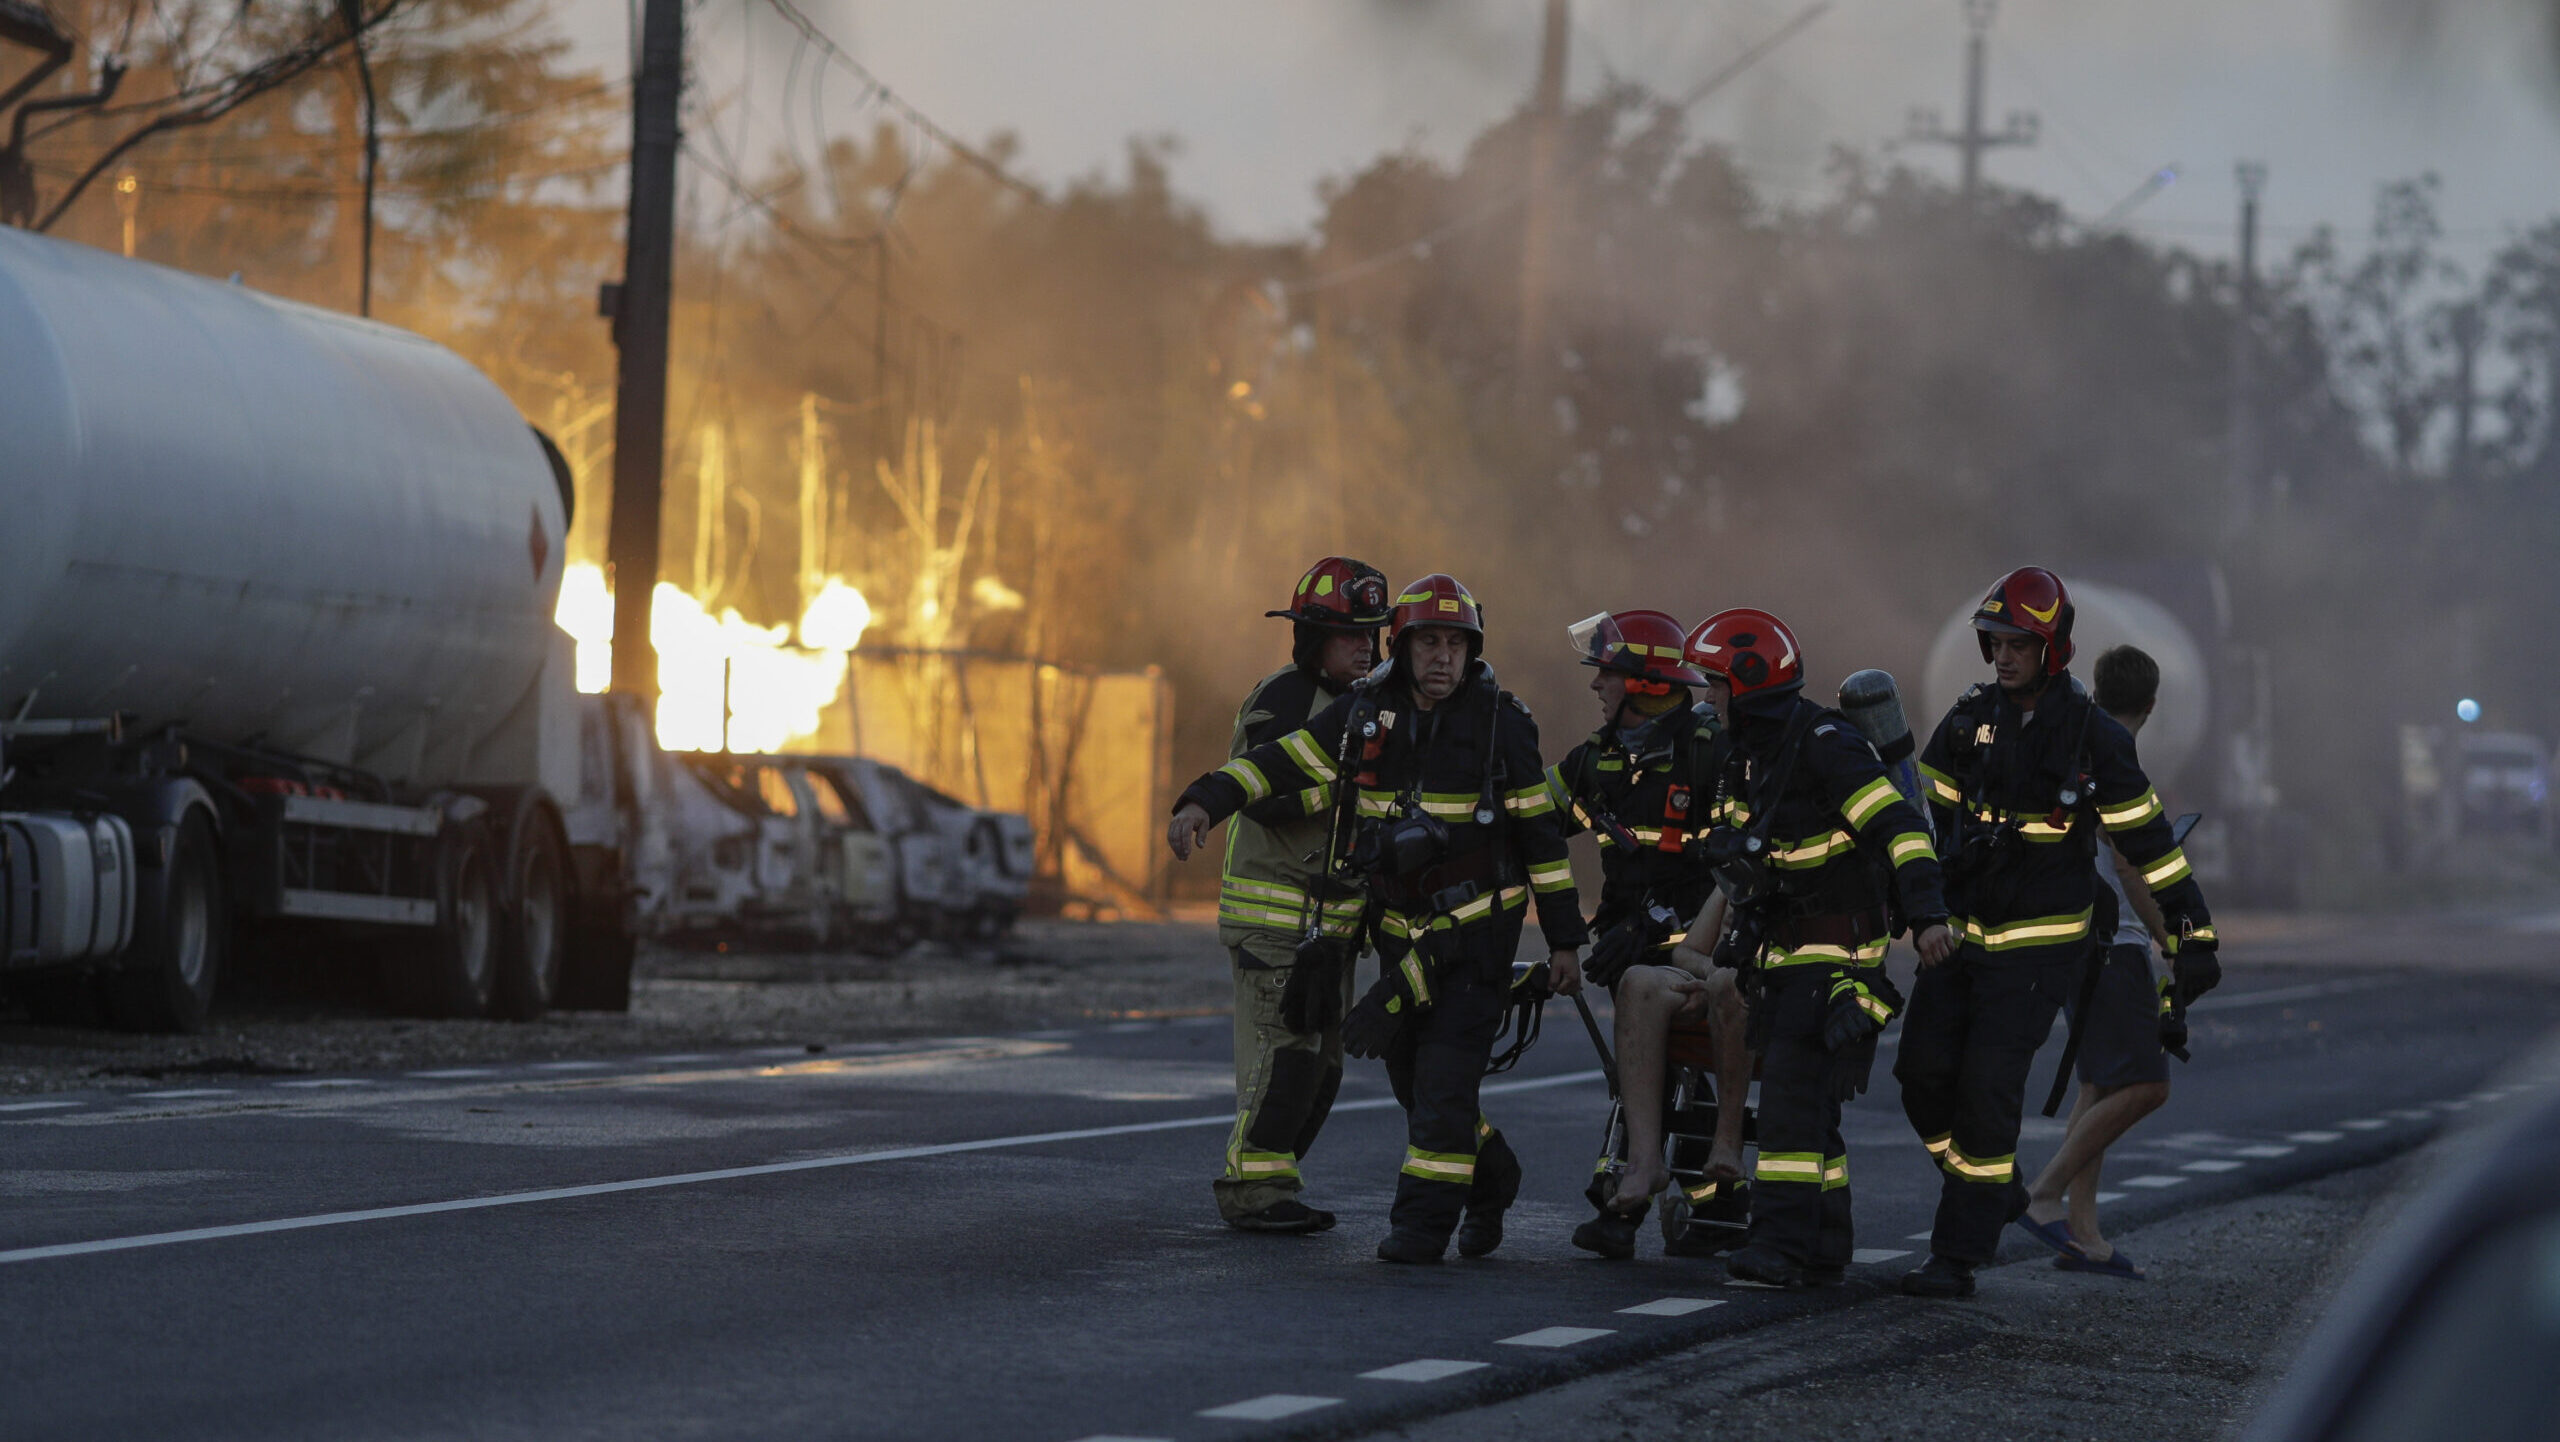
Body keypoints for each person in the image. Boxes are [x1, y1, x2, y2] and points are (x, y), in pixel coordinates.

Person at [1168, 573, 1587, 1264]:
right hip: (1402, 940)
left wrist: (1566, 940)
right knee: (1412, 1080)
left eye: (1456, 644)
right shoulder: (1367, 713)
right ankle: (1492, 1177)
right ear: (1404, 645)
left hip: (1478, 937)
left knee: (1446, 1079)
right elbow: (1281, 762)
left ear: (1473, 650)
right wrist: (1202, 802)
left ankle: (1421, 1229)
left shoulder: (1502, 723)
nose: (1442, 658)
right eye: (1428, 643)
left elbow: (1541, 840)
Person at [1899, 568, 2219, 1299]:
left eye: (2019, 644)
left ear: (2054, 647)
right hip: (1957, 939)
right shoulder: (1969, 717)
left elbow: (2151, 845)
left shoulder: (2095, 739)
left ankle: (1956, 1258)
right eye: (1996, 643)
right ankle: (1995, 1189)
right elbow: (1918, 823)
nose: (2004, 656)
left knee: (1987, 1090)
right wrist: (1918, 911)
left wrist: (2195, 935)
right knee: (1921, 1077)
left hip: (2038, 952)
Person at [1677, 608, 1955, 1289]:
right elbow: (1755, 868)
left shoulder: (1826, 745)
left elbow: (1899, 829)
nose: (1706, 699)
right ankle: (1827, 1239)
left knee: (1790, 1108)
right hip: (1785, 956)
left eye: (1714, 685)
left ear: (1746, 683)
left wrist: (1926, 917)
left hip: (1835, 961)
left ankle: (1778, 1246)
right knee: (1813, 1105)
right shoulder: (1753, 757)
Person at [1542, 610, 1752, 1261]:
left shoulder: (1711, 751)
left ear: (1642, 681)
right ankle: (1647, 1187)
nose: (1596, 684)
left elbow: (1745, 862)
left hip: (1708, 943)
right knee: (1652, 1053)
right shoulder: (1598, 758)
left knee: (1681, 1055)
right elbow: (1533, 823)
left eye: (1606, 672)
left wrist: (1660, 924)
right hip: (1628, 945)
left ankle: (1666, 1194)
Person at [1201, 557, 1393, 1234]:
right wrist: (1347, 786)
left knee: (1320, 1070)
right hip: (1274, 923)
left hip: (1331, 930)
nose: (1365, 647)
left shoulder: (1372, 710)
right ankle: (1252, 1194)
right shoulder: (1283, 699)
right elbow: (1268, 798)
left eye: (1372, 634)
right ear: (1312, 639)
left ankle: (1274, 1183)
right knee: (1283, 1061)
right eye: (1349, 635)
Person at [2016, 644, 2176, 1279]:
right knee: (2148, 1085)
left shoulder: (2077, 746)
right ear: (2152, 705)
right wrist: (2171, 935)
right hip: (2114, 944)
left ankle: (2083, 1235)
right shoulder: (2118, 758)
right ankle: (2044, 1192)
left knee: (2100, 1083)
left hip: (2071, 935)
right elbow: (2133, 867)